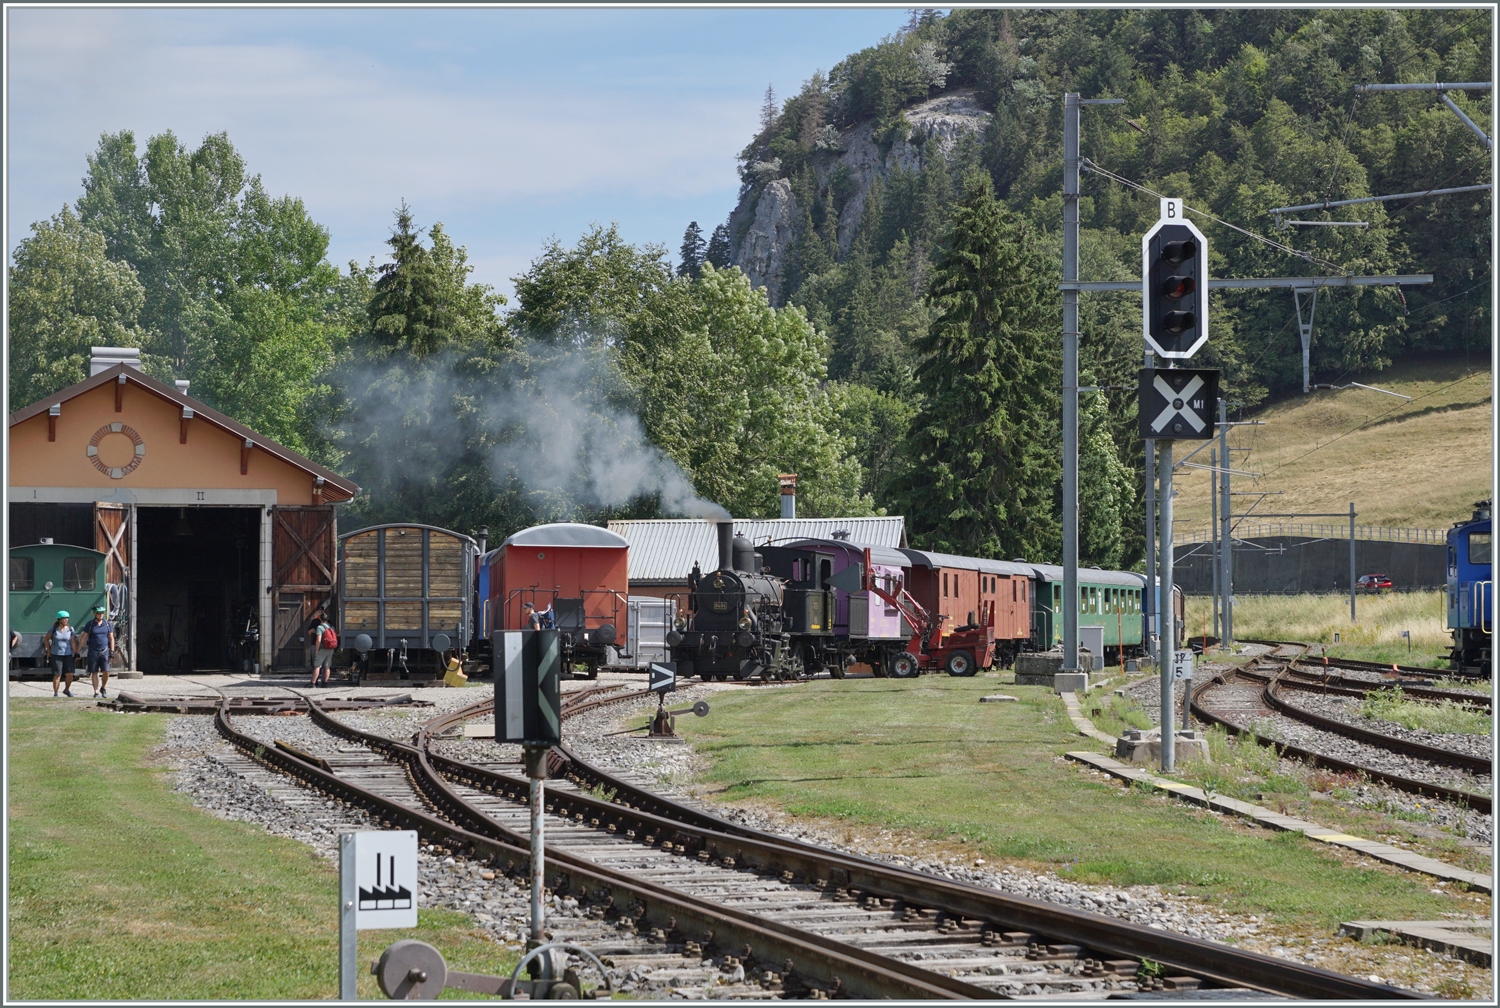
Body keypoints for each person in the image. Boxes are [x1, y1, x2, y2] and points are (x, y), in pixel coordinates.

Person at [84, 605, 116, 698]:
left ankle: (103, 687)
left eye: (102, 613)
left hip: (104, 651)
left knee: (106, 671)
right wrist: (77, 650)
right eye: (99, 613)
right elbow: (83, 637)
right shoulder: (90, 625)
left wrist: (112, 651)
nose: (101, 615)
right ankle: (96, 692)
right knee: (94, 672)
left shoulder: (107, 624)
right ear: (94, 614)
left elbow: (111, 638)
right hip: (93, 651)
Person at [45, 611, 77, 698]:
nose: (66, 620)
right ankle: (56, 693)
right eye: (64, 618)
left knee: (70, 674)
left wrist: (76, 652)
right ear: (59, 619)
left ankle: (67, 689)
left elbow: (73, 642)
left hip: (68, 654)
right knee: (57, 674)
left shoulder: (71, 629)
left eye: (67, 618)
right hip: (56, 654)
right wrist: (49, 651)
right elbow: (46, 639)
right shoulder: (54, 629)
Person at [310, 611, 337, 687]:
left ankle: (313, 683)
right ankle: (325, 683)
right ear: (327, 619)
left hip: (323, 648)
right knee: (327, 666)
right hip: (331, 648)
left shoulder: (320, 627)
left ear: (320, 619)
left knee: (317, 666)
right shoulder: (331, 627)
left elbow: (318, 640)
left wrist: (317, 650)